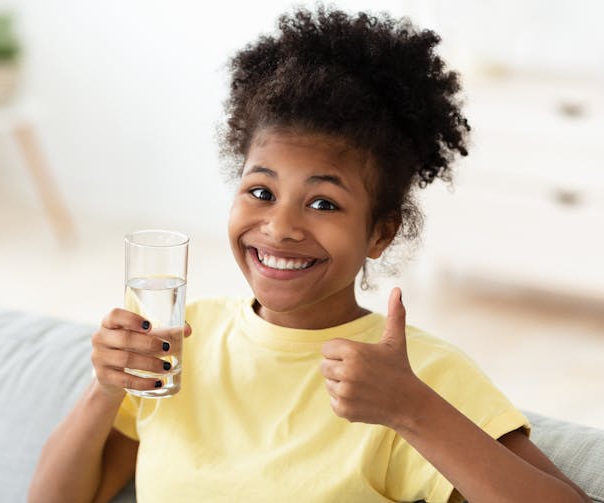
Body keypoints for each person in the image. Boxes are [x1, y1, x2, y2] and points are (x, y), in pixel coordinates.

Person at [29, 7, 590, 503]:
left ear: (380, 234)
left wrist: (411, 409)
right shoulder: (179, 344)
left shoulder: (414, 376)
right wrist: (103, 391)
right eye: (261, 192)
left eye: (323, 202)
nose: (280, 227)